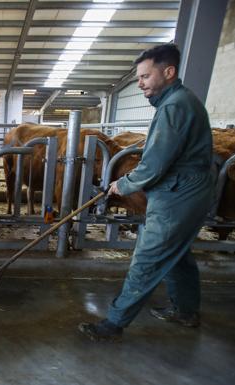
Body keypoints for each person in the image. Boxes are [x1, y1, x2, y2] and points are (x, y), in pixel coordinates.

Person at [78, 43, 215, 341]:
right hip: (190, 191)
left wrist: (122, 184)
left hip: (179, 194)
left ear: (168, 72)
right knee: (178, 255)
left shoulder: (175, 106)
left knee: (148, 259)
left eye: (145, 76)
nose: (139, 83)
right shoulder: (180, 101)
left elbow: (154, 164)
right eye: (138, 77)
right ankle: (186, 311)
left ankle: (113, 324)